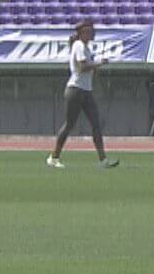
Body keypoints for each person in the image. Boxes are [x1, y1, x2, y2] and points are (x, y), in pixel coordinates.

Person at [47, 20, 118, 168]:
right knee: (69, 125)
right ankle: (54, 157)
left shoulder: (86, 48)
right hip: (75, 90)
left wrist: (96, 69)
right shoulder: (78, 45)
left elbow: (89, 70)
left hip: (86, 91)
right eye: (89, 30)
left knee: (96, 124)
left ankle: (102, 160)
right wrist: (99, 63)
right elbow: (82, 67)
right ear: (82, 33)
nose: (92, 33)